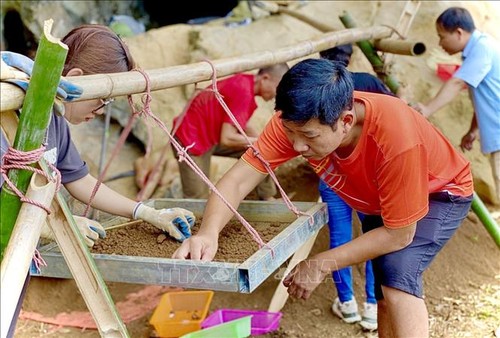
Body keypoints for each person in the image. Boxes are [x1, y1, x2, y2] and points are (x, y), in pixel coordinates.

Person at [173, 59, 474, 337]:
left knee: (397, 276)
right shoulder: (296, 122)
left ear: (345, 120)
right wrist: (208, 233)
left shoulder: (396, 140)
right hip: (379, 197)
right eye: (291, 132)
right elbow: (238, 180)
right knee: (385, 285)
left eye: (309, 137)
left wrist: (319, 263)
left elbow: (399, 234)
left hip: (440, 191)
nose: (296, 146)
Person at [1, 25, 195, 245]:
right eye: (103, 99)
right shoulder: (6, 118)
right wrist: (54, 225)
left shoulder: (54, 118)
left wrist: (146, 213)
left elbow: (79, 180)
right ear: (76, 78)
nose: (101, 110)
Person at [317, 44, 394, 331]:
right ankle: (373, 306)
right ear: (350, 57)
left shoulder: (318, 89)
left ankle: (346, 303)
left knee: (340, 237)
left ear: (322, 58)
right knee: (375, 237)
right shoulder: (368, 82)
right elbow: (395, 114)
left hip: (332, 175)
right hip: (368, 175)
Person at [135, 63, 289, 200]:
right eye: (279, 88)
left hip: (209, 137)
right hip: (191, 141)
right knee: (197, 200)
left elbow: (237, 120)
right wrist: (259, 141)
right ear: (265, 78)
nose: (278, 95)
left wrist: (259, 140)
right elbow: (227, 138)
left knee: (262, 152)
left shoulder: (244, 83)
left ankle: (267, 196)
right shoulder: (243, 91)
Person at [416, 7, 500, 203]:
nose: (440, 43)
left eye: (442, 36)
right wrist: (473, 130)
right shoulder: (480, 49)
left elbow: (457, 82)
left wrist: (427, 109)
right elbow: (485, 96)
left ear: (459, 33)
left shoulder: (482, 48)